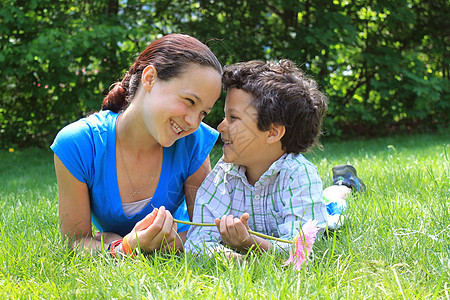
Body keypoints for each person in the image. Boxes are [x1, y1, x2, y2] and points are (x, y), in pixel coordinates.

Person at [51, 34, 223, 256]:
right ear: (150, 78)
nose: (193, 122)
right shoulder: (79, 144)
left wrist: (162, 247)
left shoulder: (193, 141)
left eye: (203, 113)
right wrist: (124, 248)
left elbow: (204, 231)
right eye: (189, 101)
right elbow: (75, 242)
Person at [184, 59, 365, 256]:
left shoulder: (299, 176)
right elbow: (197, 240)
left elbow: (301, 247)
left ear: (272, 132)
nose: (220, 127)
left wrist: (251, 244)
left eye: (233, 118)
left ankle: (344, 183)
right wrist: (227, 257)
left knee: (332, 207)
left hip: (315, 211)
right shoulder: (223, 175)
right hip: (297, 209)